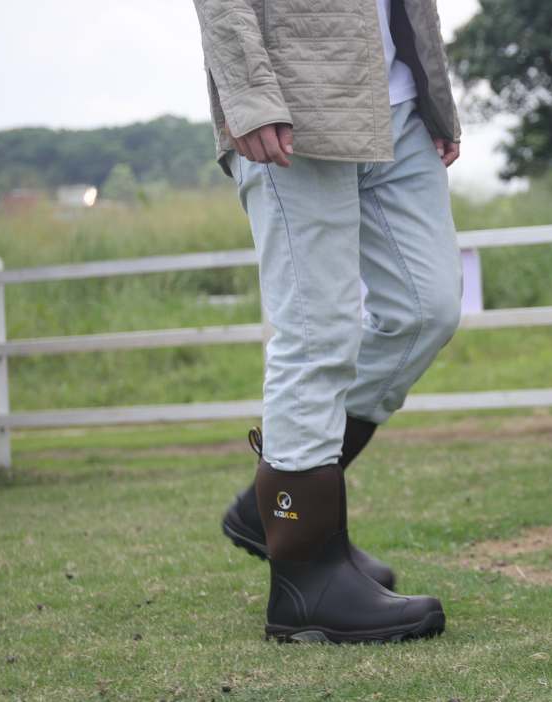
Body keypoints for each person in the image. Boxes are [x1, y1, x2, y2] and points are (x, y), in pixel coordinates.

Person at [192, 0, 463, 643]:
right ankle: (305, 577)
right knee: (319, 332)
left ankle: (279, 515)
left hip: (397, 105)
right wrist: (250, 97)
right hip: (297, 98)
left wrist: (435, 95)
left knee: (427, 309)